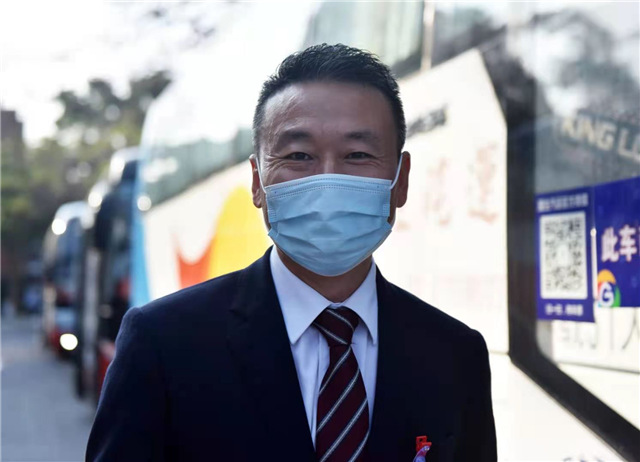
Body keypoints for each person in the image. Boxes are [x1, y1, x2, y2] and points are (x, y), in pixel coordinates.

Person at [86, 43, 497, 462]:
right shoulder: (163, 343)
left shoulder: (455, 355)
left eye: (358, 155)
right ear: (257, 182)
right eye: (299, 156)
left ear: (401, 180)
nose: (327, 181)